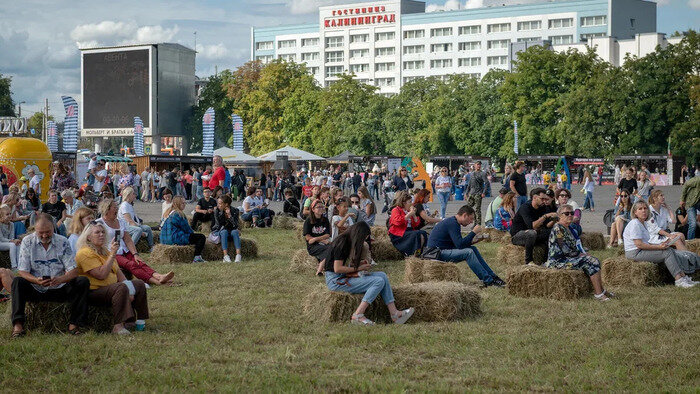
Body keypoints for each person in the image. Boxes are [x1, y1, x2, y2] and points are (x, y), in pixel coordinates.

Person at [10, 214, 90, 337]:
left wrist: (60, 279)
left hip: (59, 288)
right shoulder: (27, 241)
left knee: (82, 281)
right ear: (34, 229)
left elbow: (73, 271)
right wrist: (36, 280)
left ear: (53, 227)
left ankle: (74, 324)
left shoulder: (62, 241)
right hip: (36, 288)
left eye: (48, 232)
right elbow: (22, 271)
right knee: (17, 281)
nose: (44, 235)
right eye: (40, 232)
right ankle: (18, 325)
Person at [322, 221, 414, 326]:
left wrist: (361, 265)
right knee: (378, 281)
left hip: (343, 276)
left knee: (382, 275)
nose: (364, 241)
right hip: (336, 280)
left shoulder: (347, 241)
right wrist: (359, 268)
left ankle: (394, 313)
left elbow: (345, 265)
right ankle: (358, 314)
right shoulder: (342, 243)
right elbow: (337, 269)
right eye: (364, 238)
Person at [75, 221, 149, 335]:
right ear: (88, 237)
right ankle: (118, 326)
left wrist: (130, 289)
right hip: (94, 290)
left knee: (138, 284)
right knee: (120, 287)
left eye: (103, 232)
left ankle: (136, 320)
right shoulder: (84, 253)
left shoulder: (105, 251)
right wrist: (113, 255)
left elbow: (118, 272)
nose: (101, 234)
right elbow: (101, 275)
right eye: (97, 232)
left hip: (110, 287)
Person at [97, 199, 174, 284]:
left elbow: (128, 240)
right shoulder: (99, 223)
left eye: (117, 207)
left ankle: (159, 276)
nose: (117, 209)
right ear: (106, 209)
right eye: (114, 207)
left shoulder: (120, 222)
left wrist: (135, 254)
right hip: (111, 253)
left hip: (124, 250)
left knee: (139, 262)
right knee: (131, 265)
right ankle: (156, 281)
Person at [623, 201, 698, 288]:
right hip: (634, 253)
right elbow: (639, 245)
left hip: (640, 250)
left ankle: (684, 277)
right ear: (635, 212)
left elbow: (645, 243)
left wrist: (661, 244)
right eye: (640, 209)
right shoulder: (635, 223)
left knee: (670, 250)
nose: (644, 211)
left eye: (645, 208)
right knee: (667, 253)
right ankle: (679, 280)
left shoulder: (643, 223)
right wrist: (658, 247)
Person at [546, 204, 613, 301]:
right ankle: (599, 293)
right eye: (566, 213)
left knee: (592, 262)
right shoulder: (558, 229)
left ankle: (601, 291)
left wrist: (584, 252)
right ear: (559, 215)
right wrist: (580, 254)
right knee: (591, 261)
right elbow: (565, 249)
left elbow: (575, 246)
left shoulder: (570, 229)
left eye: (572, 213)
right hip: (558, 262)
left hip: (568, 258)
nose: (570, 215)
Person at [427, 205, 505, 287]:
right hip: (436, 253)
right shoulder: (452, 223)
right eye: (471, 219)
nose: (471, 222)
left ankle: (493, 277)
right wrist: (473, 232)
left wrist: (475, 240)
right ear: (464, 215)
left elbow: (460, 244)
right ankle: (488, 281)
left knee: (472, 249)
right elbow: (460, 245)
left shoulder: (454, 222)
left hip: (441, 250)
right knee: (468, 252)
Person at [510, 188, 558, 265]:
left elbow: (547, 225)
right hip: (519, 235)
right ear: (535, 197)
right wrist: (545, 216)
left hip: (535, 234)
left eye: (545, 199)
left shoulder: (543, 207)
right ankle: (528, 261)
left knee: (552, 232)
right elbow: (532, 226)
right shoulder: (525, 207)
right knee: (531, 233)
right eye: (542, 199)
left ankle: (546, 260)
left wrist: (555, 220)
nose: (544, 201)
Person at [160, 196, 207, 263]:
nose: (184, 205)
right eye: (182, 203)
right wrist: (193, 234)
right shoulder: (179, 214)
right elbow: (187, 229)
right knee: (201, 237)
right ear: (177, 204)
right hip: (174, 239)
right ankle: (197, 257)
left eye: (185, 203)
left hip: (164, 239)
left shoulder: (168, 213)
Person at [388, 191, 427, 257]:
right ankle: (412, 253)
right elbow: (397, 222)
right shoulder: (396, 209)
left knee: (423, 233)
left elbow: (416, 225)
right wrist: (409, 214)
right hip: (399, 232)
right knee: (416, 234)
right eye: (409, 202)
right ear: (404, 203)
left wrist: (414, 215)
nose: (411, 204)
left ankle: (421, 251)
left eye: (411, 201)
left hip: (408, 230)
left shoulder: (408, 211)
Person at [304, 199, 332, 275]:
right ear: (313, 209)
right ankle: (319, 270)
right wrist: (321, 240)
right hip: (313, 247)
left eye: (322, 207)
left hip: (323, 243)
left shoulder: (325, 220)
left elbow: (328, 234)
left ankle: (320, 268)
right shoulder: (308, 221)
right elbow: (308, 238)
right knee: (330, 249)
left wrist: (316, 239)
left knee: (332, 248)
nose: (321, 209)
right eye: (318, 207)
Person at [212, 194, 242, 263]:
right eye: (218, 203)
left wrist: (230, 216)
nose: (218, 205)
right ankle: (225, 256)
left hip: (230, 231)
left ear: (226, 204)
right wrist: (223, 213)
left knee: (235, 232)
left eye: (220, 203)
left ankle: (238, 255)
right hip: (219, 230)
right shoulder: (217, 211)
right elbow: (218, 225)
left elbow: (235, 225)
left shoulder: (235, 211)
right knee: (224, 232)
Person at [465, 161, 488, 225]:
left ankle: (477, 224)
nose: (479, 166)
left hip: (478, 193)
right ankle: (471, 221)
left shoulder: (482, 173)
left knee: (477, 209)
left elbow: (486, 183)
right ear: (474, 165)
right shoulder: (472, 173)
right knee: (468, 208)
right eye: (477, 164)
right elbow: (469, 184)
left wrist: (484, 192)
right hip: (471, 193)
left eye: (480, 165)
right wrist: (466, 192)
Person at [679, 175, 700, 240]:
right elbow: (686, 185)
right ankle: (690, 243)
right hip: (691, 203)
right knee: (693, 224)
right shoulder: (697, 180)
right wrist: (682, 199)